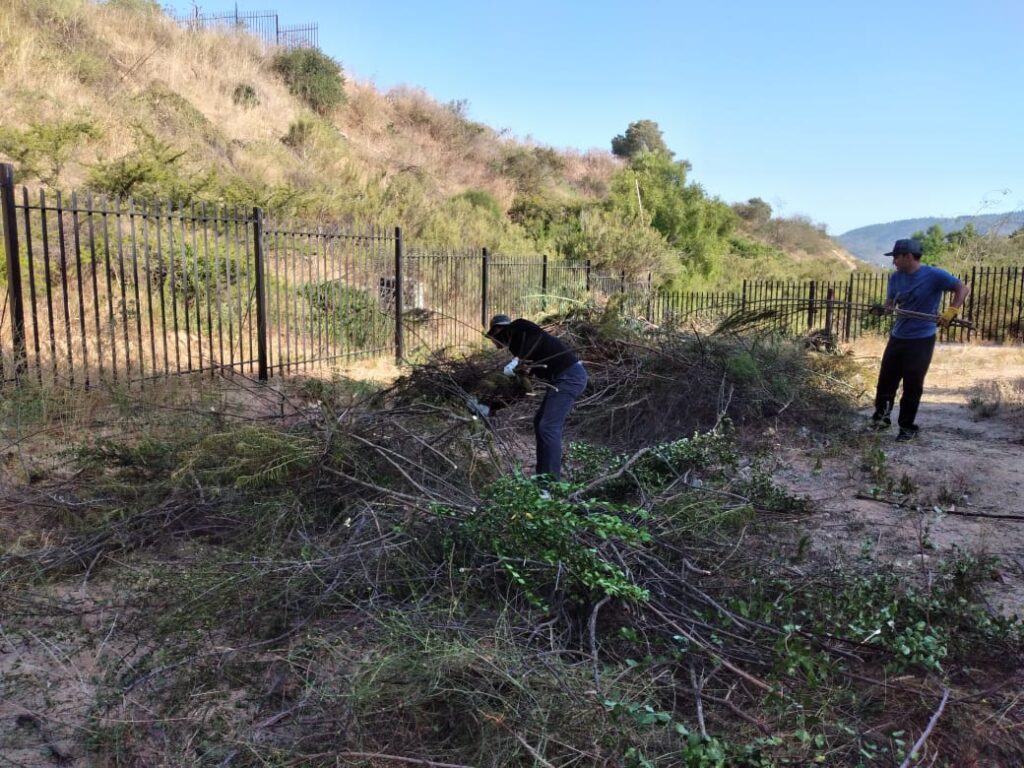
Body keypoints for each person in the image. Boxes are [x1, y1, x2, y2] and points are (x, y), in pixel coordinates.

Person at [870, 238, 970, 442]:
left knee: (912, 384)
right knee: (886, 381)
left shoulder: (934, 275)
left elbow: (962, 288)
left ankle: (907, 428)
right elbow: (891, 304)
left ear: (908, 256)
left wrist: (952, 310)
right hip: (898, 336)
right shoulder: (895, 278)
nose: (894, 262)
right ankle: (881, 420)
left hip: (921, 339)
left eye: (896, 257)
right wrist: (882, 309)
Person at [485, 314, 588, 480]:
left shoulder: (520, 327)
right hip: (561, 379)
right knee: (540, 422)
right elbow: (522, 388)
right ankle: (542, 477)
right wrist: (493, 406)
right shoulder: (520, 346)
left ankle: (551, 483)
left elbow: (535, 337)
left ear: (498, 330)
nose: (494, 343)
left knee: (548, 426)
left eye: (493, 338)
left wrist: (516, 361)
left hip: (569, 377)